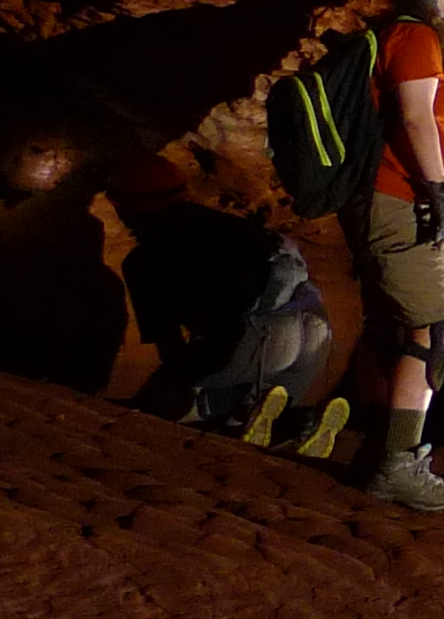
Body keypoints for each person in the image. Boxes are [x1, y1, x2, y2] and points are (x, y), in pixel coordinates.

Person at [352, 0, 444, 511]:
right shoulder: (413, 35)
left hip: (396, 198)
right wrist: (433, 190)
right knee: (440, 330)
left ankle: (374, 446)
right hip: (402, 199)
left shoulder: (409, 34)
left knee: (395, 329)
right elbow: (414, 119)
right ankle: (397, 464)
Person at [106, 153, 336, 445]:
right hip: (315, 333)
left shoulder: (146, 258)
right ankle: (295, 421)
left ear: (128, 205)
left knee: (169, 403)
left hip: (256, 337)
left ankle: (238, 413)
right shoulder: (231, 228)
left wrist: (163, 391)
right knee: (251, 395)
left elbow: (170, 344)